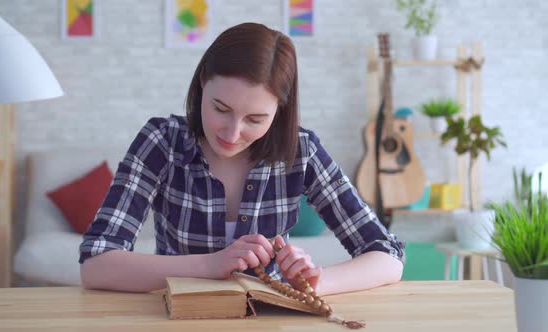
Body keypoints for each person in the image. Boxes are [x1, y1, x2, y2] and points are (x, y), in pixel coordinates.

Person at [79, 22, 404, 295]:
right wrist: (211, 264)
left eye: (255, 119)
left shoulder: (300, 151)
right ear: (202, 83)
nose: (232, 133)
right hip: (178, 319)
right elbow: (97, 263)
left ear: (279, 112)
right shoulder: (162, 142)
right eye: (221, 109)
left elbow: (387, 256)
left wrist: (313, 283)